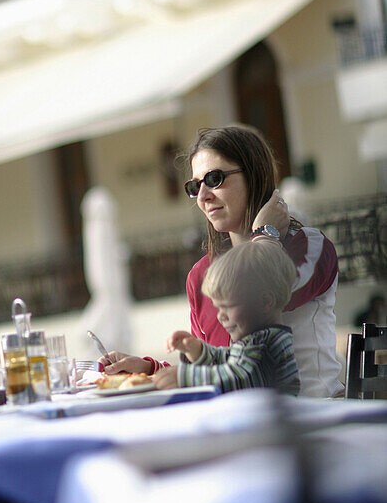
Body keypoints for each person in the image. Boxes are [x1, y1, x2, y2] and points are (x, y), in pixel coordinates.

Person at [101, 124, 341, 397]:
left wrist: (264, 234)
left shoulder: (310, 245)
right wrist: (149, 369)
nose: (203, 197)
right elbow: (225, 366)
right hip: (238, 420)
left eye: (215, 179)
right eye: (194, 186)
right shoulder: (203, 275)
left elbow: (264, 294)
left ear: (253, 176)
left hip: (314, 419)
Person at [150, 239, 299, 394]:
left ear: (265, 302)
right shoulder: (256, 340)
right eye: (218, 308)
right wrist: (199, 351)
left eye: (227, 307)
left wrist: (187, 377)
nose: (221, 316)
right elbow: (229, 358)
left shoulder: (270, 344)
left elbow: (241, 377)